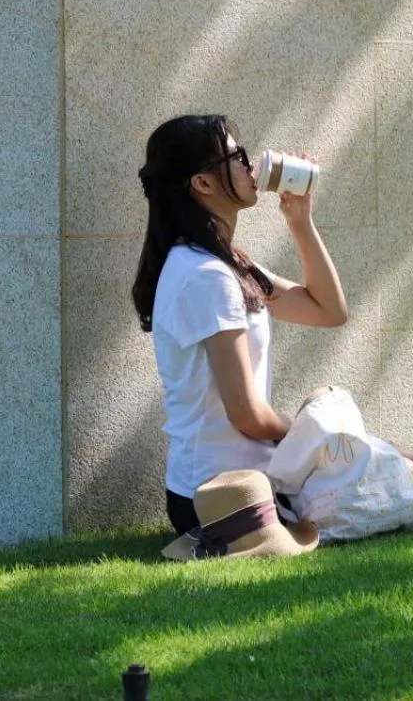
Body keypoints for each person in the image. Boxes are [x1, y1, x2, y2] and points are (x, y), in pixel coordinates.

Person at [133, 114, 350, 536]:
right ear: (203, 183)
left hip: (249, 481)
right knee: (400, 468)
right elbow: (247, 414)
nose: (250, 166)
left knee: (403, 462)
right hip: (220, 498)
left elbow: (329, 311)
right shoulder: (207, 276)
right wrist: (312, 435)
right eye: (237, 157)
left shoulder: (228, 264)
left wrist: (300, 222)